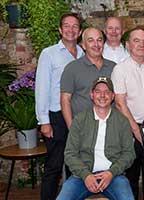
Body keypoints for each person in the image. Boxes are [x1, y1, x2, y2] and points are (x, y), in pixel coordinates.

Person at [56, 76, 135, 200]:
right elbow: (70, 153)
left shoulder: (122, 121)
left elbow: (129, 154)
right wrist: (86, 175)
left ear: (113, 96)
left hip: (113, 176)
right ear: (92, 95)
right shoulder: (80, 120)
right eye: (98, 91)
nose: (102, 95)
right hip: (82, 176)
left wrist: (111, 173)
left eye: (107, 92)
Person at [111, 26, 144, 199]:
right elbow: (120, 104)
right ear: (127, 45)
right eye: (136, 40)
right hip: (129, 130)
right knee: (131, 178)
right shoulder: (120, 70)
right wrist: (137, 131)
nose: (141, 44)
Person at [35, 12, 84, 200]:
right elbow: (41, 88)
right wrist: (44, 121)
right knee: (54, 166)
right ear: (60, 29)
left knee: (75, 165)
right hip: (56, 116)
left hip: (77, 116)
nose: (71, 29)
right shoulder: (49, 54)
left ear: (79, 32)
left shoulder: (82, 53)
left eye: (74, 26)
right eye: (67, 25)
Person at [60, 27, 115, 129]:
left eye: (99, 40)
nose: (96, 44)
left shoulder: (114, 67)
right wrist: (71, 128)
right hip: (82, 128)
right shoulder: (72, 68)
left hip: (110, 127)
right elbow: (65, 100)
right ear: (83, 45)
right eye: (91, 40)